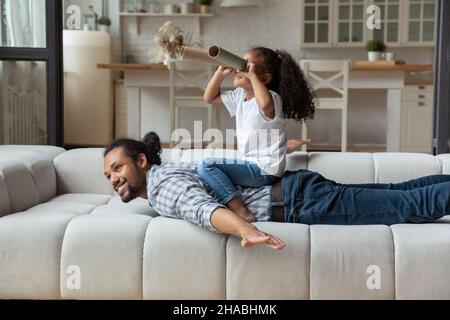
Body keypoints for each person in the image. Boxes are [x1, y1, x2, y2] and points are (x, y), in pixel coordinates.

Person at [103, 134, 450, 251]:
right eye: (108, 175)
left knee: (408, 204)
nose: (113, 179)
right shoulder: (170, 170)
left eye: (118, 168)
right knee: (400, 194)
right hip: (296, 190)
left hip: (298, 201)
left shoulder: (161, 187)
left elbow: (202, 209)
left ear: (142, 161)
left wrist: (246, 230)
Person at [199, 47, 315, 223]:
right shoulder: (240, 96)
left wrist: (251, 75)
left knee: (207, 166)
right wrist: (220, 73)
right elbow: (209, 97)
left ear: (265, 78)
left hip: (265, 169)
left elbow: (265, 103)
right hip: (253, 165)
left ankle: (239, 209)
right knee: (208, 166)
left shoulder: (272, 98)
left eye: (247, 66)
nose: (239, 69)